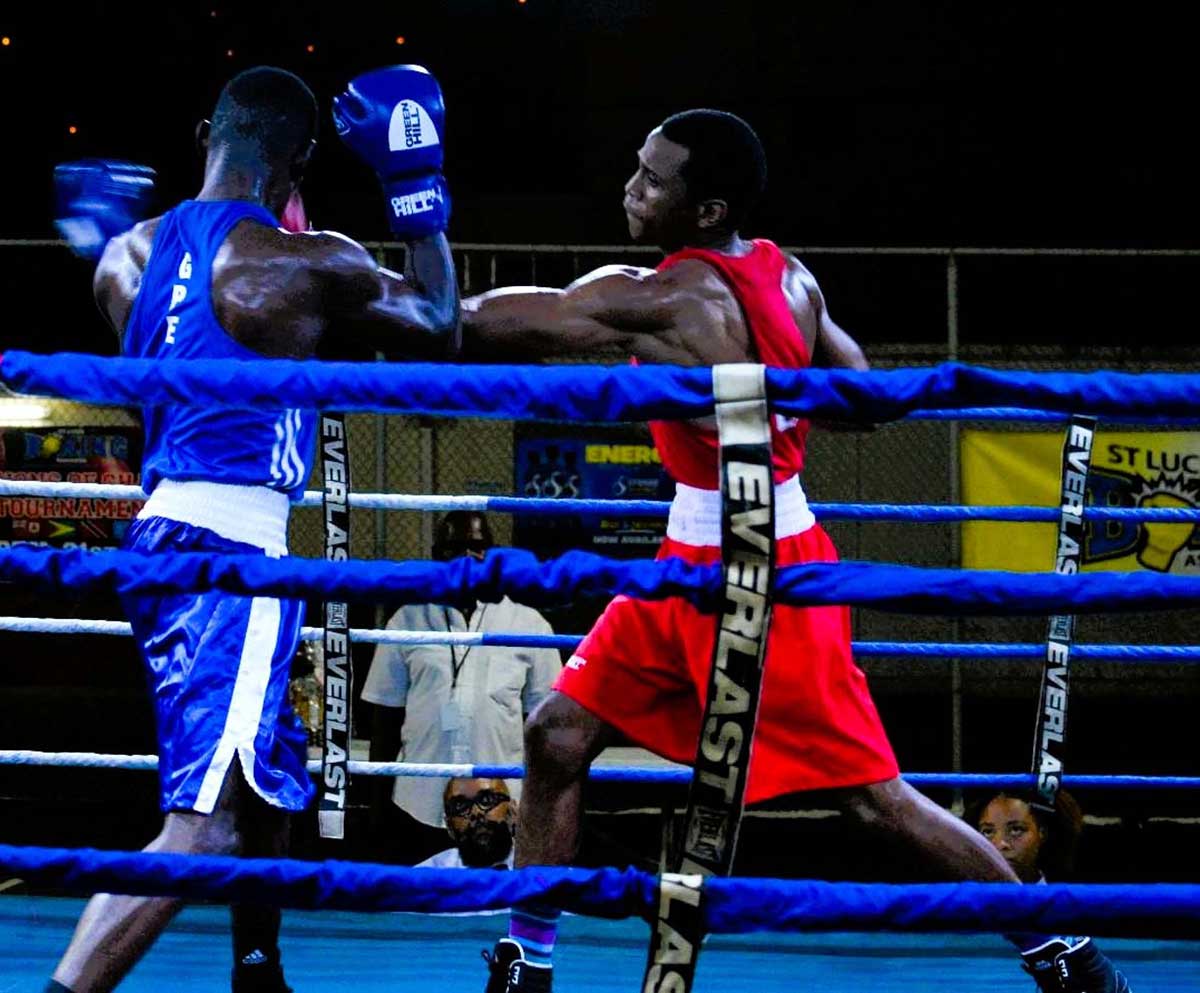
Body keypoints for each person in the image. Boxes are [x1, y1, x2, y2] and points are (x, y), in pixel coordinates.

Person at [460, 109, 1130, 993]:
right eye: (637, 167)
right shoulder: (788, 274)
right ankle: (526, 959)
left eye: (655, 179)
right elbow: (864, 395)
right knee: (556, 736)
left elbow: (479, 323)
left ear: (707, 211)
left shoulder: (662, 296)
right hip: (690, 555)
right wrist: (763, 393)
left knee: (873, 796)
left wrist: (417, 220)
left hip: (764, 567)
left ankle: (1058, 948)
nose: (632, 187)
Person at [45, 63, 458, 993]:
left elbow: (165, 335)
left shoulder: (123, 258)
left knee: (263, 776)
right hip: (233, 554)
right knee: (204, 825)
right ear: (302, 161)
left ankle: (258, 966)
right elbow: (438, 324)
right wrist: (415, 186)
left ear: (205, 133)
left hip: (157, 541)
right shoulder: (304, 264)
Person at [363, 511, 562, 864]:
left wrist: (544, 805)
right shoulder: (407, 620)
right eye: (455, 548)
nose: (468, 557)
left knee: (494, 912)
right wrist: (375, 808)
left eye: (477, 546)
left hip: (504, 806)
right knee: (420, 913)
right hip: (418, 803)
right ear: (438, 556)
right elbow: (385, 720)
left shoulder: (528, 625)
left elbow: (547, 728)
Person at [970, 789, 1085, 884]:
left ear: (1042, 833)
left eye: (1016, 830)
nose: (1000, 844)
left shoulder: (1066, 903)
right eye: (988, 832)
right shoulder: (965, 903)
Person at [416, 777, 518, 871]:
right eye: (461, 806)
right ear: (449, 826)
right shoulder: (426, 879)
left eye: (487, 800)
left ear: (513, 811)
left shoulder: (532, 863)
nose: (476, 811)